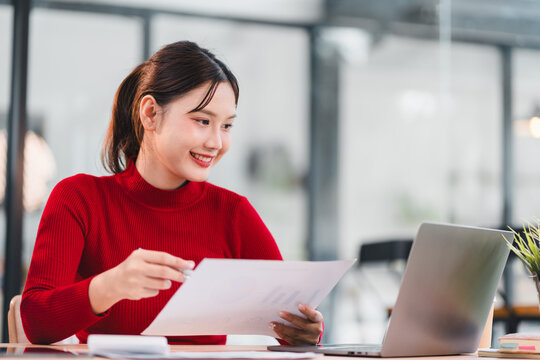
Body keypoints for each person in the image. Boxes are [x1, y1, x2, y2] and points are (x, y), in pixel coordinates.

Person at [20, 41, 323, 346]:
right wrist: (111, 285)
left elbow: (292, 314)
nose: (216, 142)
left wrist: (307, 330)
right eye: (203, 121)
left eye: (227, 126)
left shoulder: (232, 212)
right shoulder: (80, 198)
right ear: (150, 113)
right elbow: (35, 322)